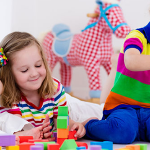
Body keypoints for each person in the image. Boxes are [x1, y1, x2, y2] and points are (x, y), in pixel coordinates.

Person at [0, 31, 85, 140]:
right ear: (10, 74)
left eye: (38, 65)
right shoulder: (10, 97)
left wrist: (73, 126)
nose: (34, 73)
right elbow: (18, 133)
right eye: (24, 70)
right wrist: (39, 134)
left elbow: (62, 123)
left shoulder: (55, 88)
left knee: (95, 113)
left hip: (70, 104)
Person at [83, 22, 150, 144]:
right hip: (125, 106)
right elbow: (131, 61)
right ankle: (87, 126)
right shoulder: (137, 36)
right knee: (123, 131)